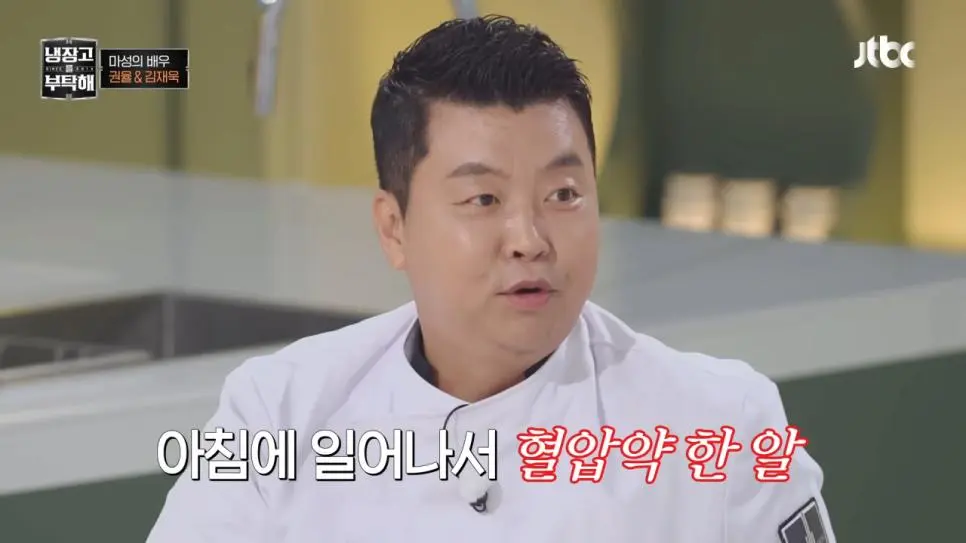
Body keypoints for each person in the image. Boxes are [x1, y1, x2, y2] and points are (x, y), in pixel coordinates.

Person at [148, 15, 835, 543]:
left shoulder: (719, 424)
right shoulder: (279, 414)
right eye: (483, 199)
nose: (529, 239)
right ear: (394, 227)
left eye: (563, 195)